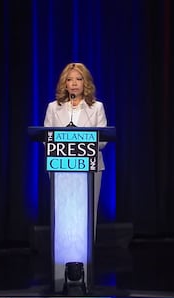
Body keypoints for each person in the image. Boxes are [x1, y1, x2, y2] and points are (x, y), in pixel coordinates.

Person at [43, 62, 108, 231]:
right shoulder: (53, 107)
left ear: (85, 82)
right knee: (64, 212)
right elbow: (46, 138)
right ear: (64, 83)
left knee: (88, 211)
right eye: (69, 79)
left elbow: (103, 141)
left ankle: (86, 255)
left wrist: (80, 141)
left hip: (90, 167)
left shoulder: (96, 107)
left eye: (78, 79)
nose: (74, 83)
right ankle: (63, 255)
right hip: (60, 167)